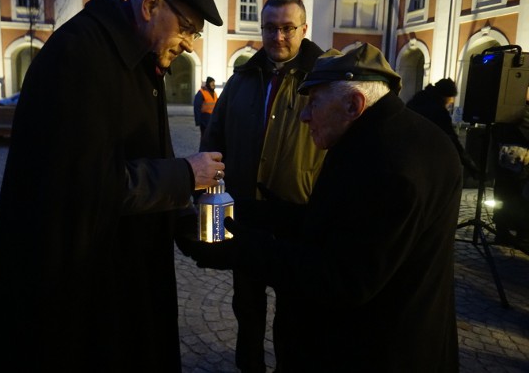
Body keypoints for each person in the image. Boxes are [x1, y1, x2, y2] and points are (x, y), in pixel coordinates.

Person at [0, 0, 225, 372]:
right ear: (150, 5)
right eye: (186, 28)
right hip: (77, 286)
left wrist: (188, 222)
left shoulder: (140, 60)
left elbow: (148, 156)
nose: (191, 44)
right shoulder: (80, 54)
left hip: (122, 276)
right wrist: (185, 174)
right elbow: (82, 183)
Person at [192, 43, 461, 372]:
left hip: (374, 351)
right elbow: (337, 223)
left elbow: (343, 278)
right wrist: (252, 213)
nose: (304, 116)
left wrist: (239, 250)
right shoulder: (378, 136)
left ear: (353, 103)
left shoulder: (390, 164)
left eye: (314, 104)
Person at [200, 0, 326, 373]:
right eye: (271, 28)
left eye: (288, 28)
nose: (279, 36)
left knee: (296, 312)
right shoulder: (241, 80)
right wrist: (212, 223)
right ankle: (249, 367)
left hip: (299, 219)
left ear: (304, 29)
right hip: (246, 218)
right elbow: (214, 145)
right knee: (247, 305)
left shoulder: (324, 80)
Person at [407, 78, 480, 177]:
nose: (451, 102)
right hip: (422, 161)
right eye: (451, 98)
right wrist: (472, 168)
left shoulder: (418, 99)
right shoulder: (438, 112)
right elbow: (453, 142)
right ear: (445, 97)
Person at [491, 86, 529, 251]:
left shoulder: (506, 112)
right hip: (516, 168)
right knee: (516, 199)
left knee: (504, 197)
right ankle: (517, 235)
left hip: (506, 167)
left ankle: (504, 232)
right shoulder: (518, 114)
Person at [193, 76, 217, 140]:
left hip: (213, 118)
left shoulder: (214, 93)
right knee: (205, 137)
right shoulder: (201, 93)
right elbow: (197, 106)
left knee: (211, 137)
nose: (213, 84)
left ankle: (210, 149)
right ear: (208, 83)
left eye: (214, 83)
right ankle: (204, 149)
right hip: (205, 118)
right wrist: (198, 120)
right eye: (212, 83)